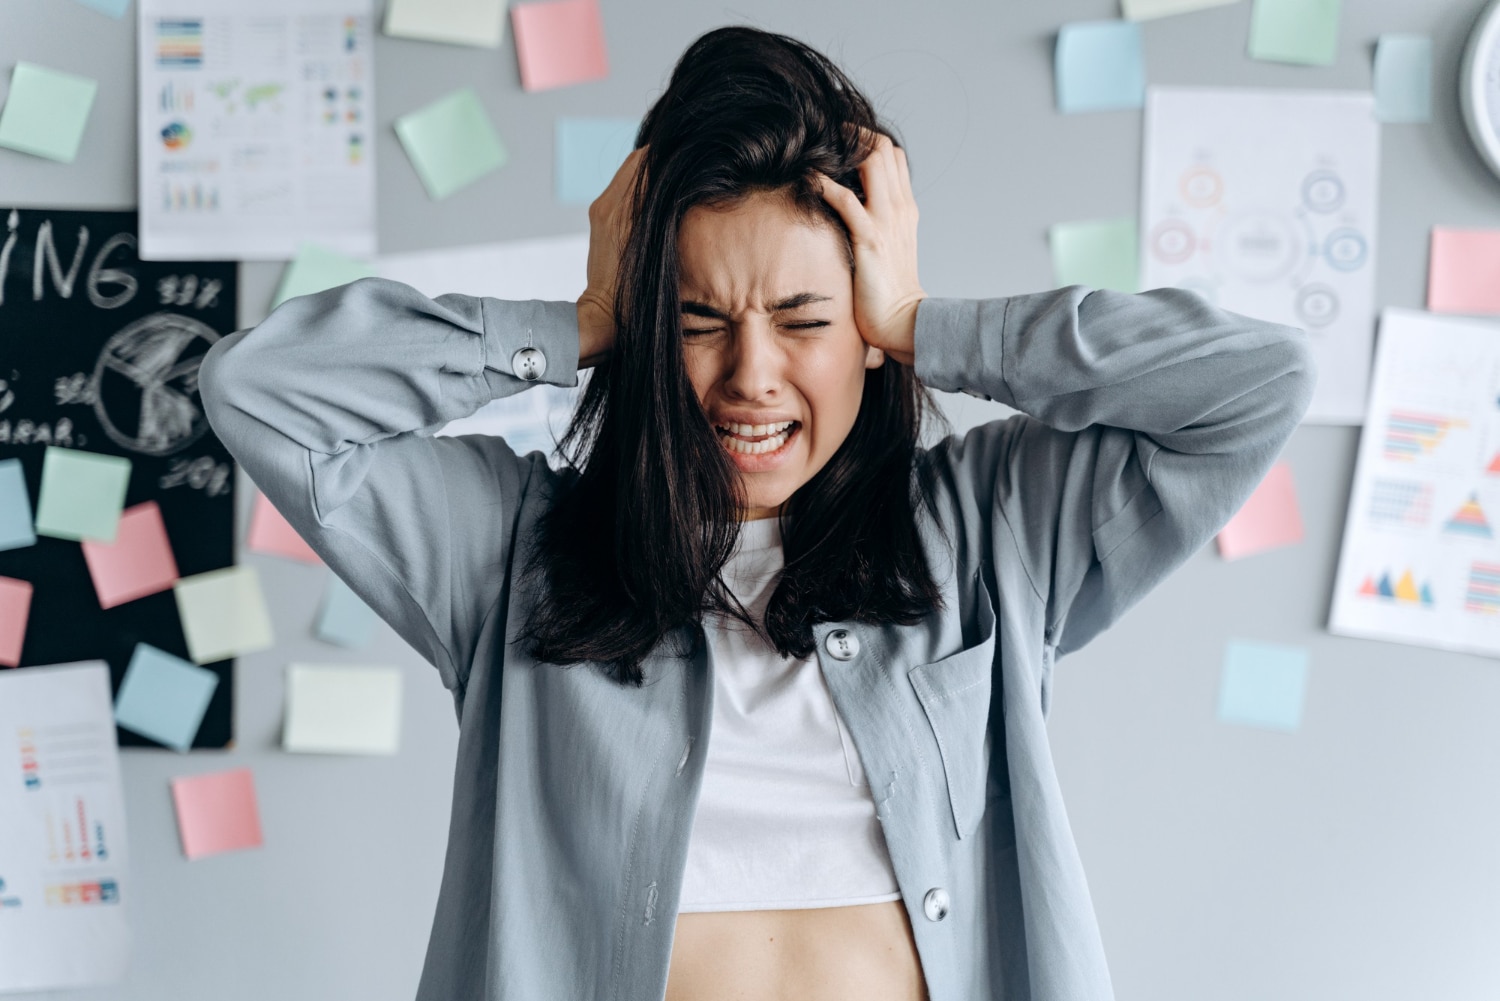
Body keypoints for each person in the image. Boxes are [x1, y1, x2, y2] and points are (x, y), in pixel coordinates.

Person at [198, 25, 1315, 1001]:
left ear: (868, 334)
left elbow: (1255, 385)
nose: (751, 376)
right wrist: (582, 313)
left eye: (804, 318)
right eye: (695, 320)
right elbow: (260, 392)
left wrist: (934, 323)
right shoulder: (510, 554)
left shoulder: (990, 531)